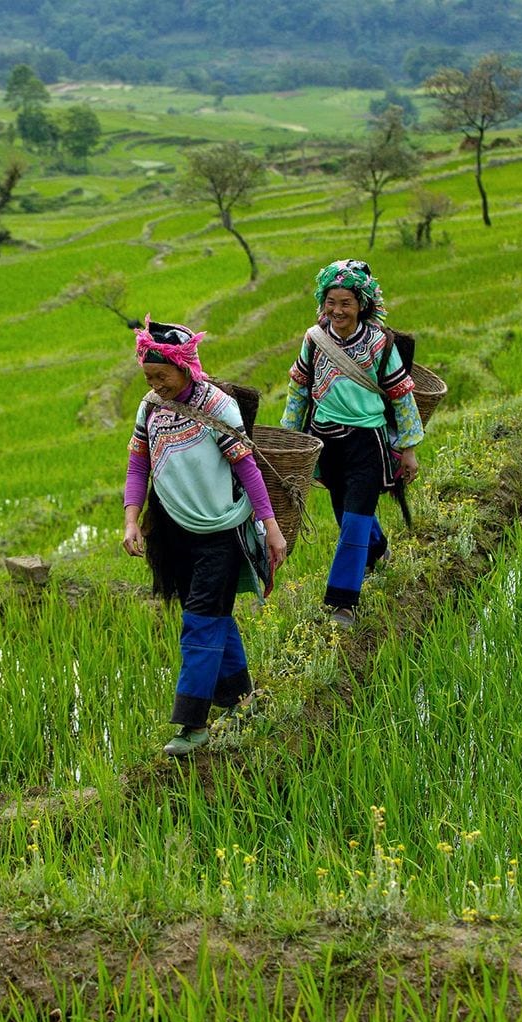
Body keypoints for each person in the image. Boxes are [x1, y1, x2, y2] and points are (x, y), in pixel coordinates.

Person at [123, 315, 287, 757]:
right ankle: (240, 698)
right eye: (149, 377)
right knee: (212, 614)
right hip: (174, 531)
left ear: (186, 368)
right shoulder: (150, 407)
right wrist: (131, 520)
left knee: (199, 621)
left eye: (163, 376)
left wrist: (270, 527)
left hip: (222, 531)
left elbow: (246, 468)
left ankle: (191, 723)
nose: (156, 384)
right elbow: (139, 465)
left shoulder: (217, 406)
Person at [281, 259, 424, 628]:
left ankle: (343, 603)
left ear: (361, 303)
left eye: (346, 303)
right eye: (331, 302)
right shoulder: (314, 340)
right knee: (346, 516)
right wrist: (291, 441)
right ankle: (379, 549)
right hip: (326, 442)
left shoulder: (379, 343)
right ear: (322, 301)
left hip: (367, 443)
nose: (337, 310)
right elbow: (298, 391)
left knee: (355, 521)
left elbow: (401, 395)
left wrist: (408, 448)